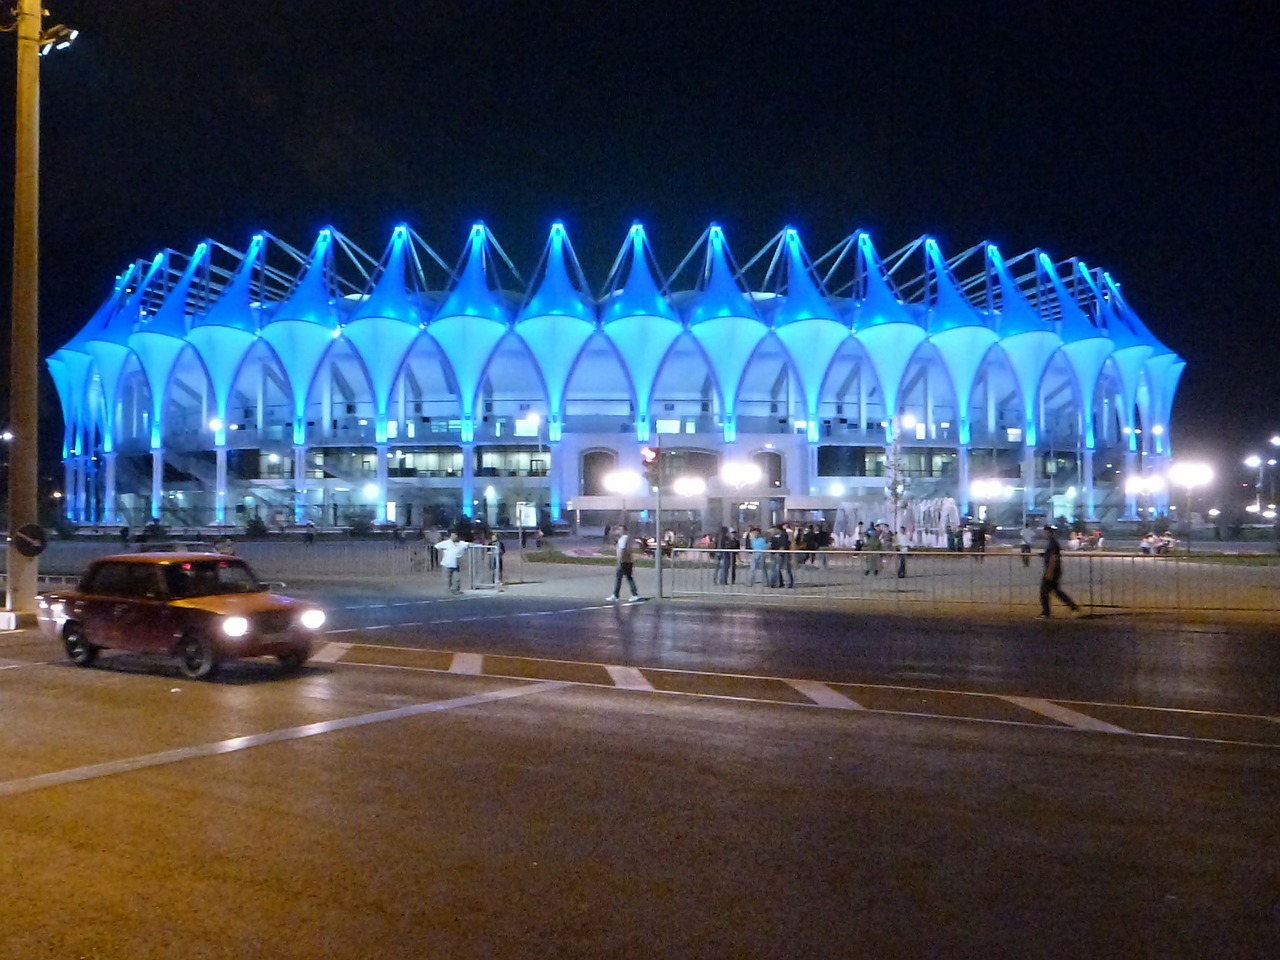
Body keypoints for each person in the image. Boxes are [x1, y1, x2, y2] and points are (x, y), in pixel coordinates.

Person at [1039, 524, 1080, 618]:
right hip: (1054, 570)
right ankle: (1073, 607)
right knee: (1057, 592)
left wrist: (1050, 572)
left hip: (1052, 570)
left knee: (1044, 592)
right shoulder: (1053, 542)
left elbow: (1054, 557)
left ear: (1047, 532)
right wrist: (1044, 555)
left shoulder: (1052, 542)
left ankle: (1046, 613)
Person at [607, 525, 642, 602]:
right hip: (628, 561)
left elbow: (622, 550)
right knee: (628, 578)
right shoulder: (626, 538)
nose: (619, 531)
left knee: (619, 578)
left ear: (624, 530)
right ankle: (633, 594)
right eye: (618, 530)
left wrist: (620, 560)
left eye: (620, 530)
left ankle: (616, 595)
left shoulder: (623, 538)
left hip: (624, 561)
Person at [434, 530, 469, 595]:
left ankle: (456, 590)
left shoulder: (461, 543)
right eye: (453, 535)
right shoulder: (446, 543)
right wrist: (442, 553)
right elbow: (436, 546)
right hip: (446, 564)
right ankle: (447, 591)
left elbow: (469, 544)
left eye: (455, 535)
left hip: (456, 564)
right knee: (447, 579)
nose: (454, 537)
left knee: (457, 578)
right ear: (450, 536)